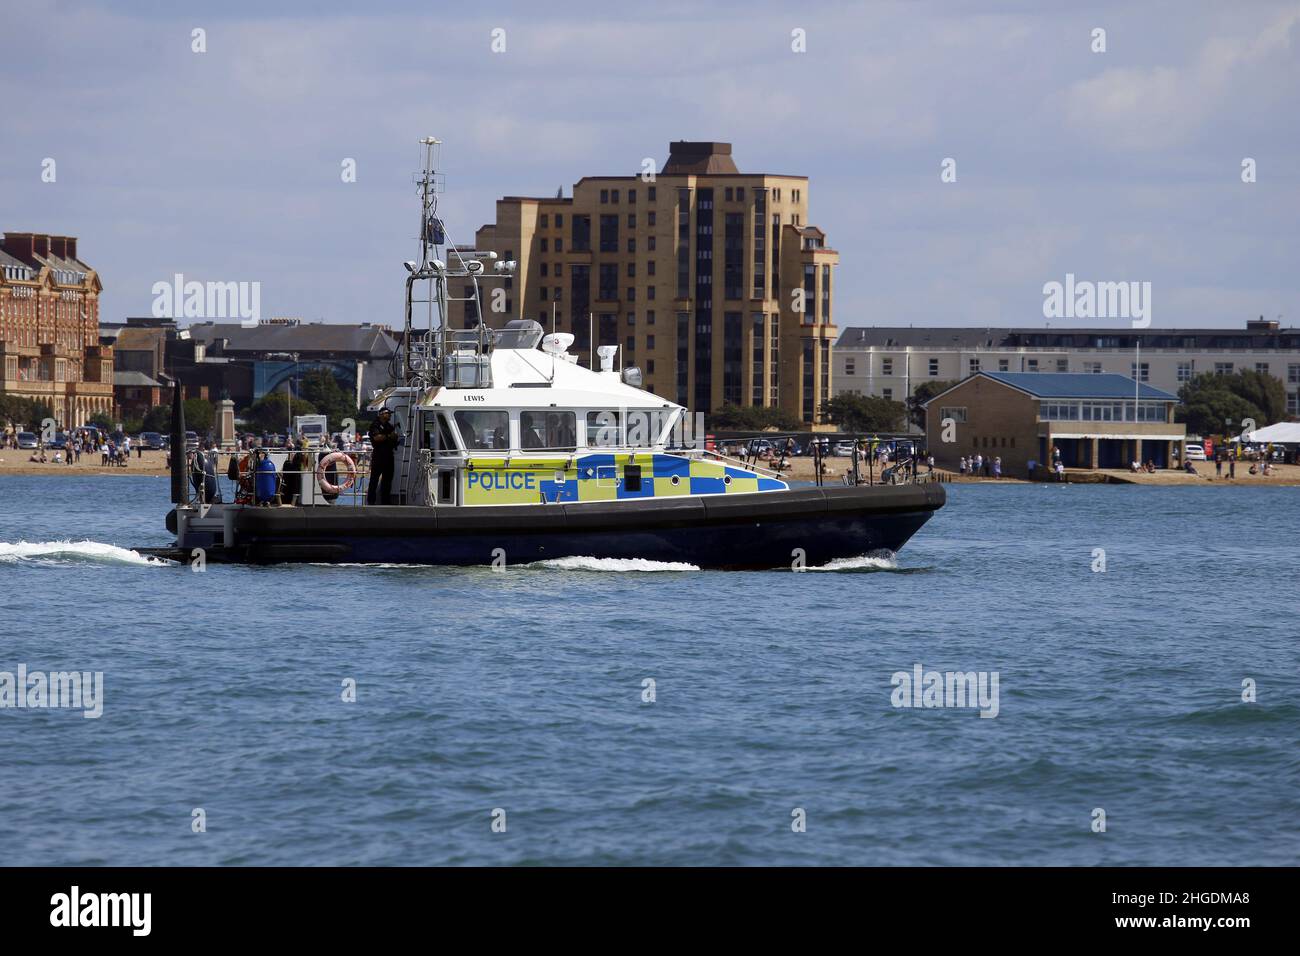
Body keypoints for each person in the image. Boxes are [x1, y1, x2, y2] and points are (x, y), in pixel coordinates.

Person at [367, 406, 399, 505]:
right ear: (381, 414)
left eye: (389, 414)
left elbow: (392, 436)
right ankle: (371, 501)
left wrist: (394, 437)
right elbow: (377, 438)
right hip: (379, 455)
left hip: (388, 455)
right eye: (387, 413)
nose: (389, 415)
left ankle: (385, 501)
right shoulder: (375, 425)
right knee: (374, 479)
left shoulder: (388, 426)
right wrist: (389, 436)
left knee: (387, 480)